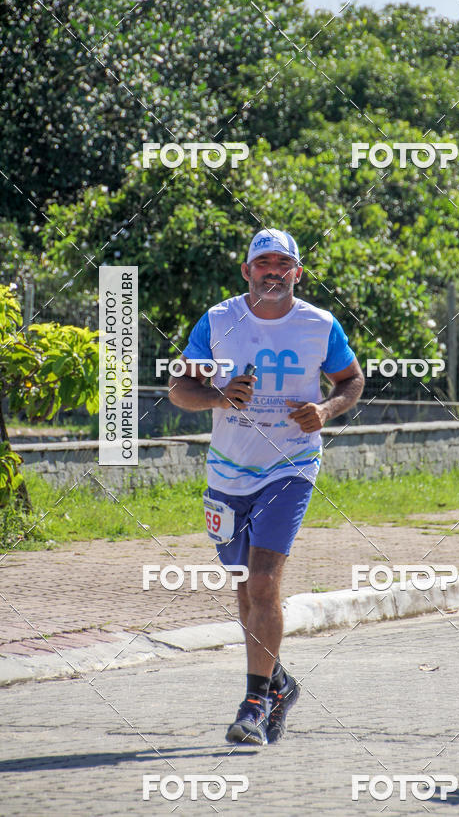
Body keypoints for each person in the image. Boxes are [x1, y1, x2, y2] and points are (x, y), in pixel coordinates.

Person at [168, 228, 364, 745]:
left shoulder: (319, 325)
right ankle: (278, 682)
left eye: (284, 263)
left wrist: (324, 410)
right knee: (241, 582)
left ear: (298, 272)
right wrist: (216, 397)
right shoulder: (218, 320)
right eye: (264, 263)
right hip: (228, 469)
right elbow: (180, 388)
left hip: (291, 466)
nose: (273, 271)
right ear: (247, 271)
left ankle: (254, 703)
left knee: (262, 581)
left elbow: (352, 381)